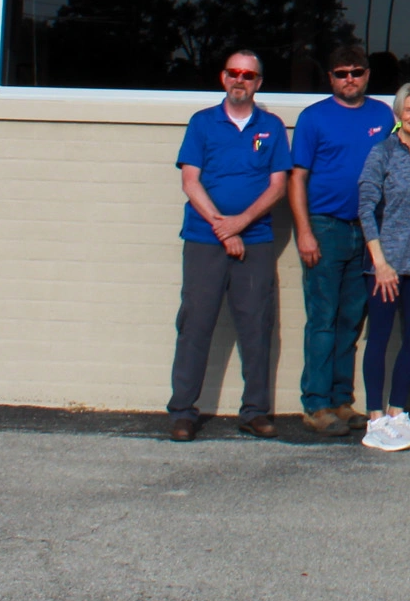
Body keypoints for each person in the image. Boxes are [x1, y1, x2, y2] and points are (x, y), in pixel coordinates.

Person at [167, 50, 292, 441]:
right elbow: (191, 182)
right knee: (195, 324)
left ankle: (255, 411)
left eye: (249, 75)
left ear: (258, 82)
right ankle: (184, 413)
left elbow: (279, 186)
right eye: (234, 73)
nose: (241, 80)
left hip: (255, 240)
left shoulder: (271, 127)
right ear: (224, 78)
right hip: (204, 239)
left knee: (256, 326)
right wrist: (225, 229)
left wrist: (240, 224)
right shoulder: (203, 123)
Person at [287, 43, 391, 437]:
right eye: (342, 73)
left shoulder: (382, 116)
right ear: (330, 78)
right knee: (323, 319)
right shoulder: (314, 118)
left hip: (366, 232)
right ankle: (316, 403)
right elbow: (298, 178)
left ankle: (341, 400)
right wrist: (305, 232)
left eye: (357, 71)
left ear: (367, 74)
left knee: (351, 319)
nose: (350, 79)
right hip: (326, 227)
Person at [357, 82, 410, 452]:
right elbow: (365, 207)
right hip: (385, 266)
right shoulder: (382, 153)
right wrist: (379, 263)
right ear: (398, 113)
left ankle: (396, 413)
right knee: (378, 337)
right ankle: (374, 418)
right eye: (408, 110)